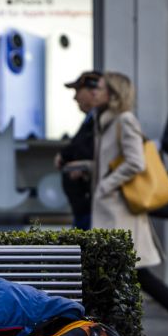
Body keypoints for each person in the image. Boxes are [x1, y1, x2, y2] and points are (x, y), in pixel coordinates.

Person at [93, 72, 168, 336]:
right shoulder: (106, 123)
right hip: (112, 210)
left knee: (134, 272)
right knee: (127, 273)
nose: (95, 92)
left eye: (99, 88)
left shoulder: (124, 121)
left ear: (114, 93)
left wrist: (105, 185)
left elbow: (135, 162)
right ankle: (113, 333)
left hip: (122, 210)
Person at [54, 70, 105, 230]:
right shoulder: (91, 119)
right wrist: (65, 155)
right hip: (83, 206)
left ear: (94, 92)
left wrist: (77, 163)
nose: (75, 98)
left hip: (92, 203)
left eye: (78, 91)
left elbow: (91, 150)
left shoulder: (103, 120)